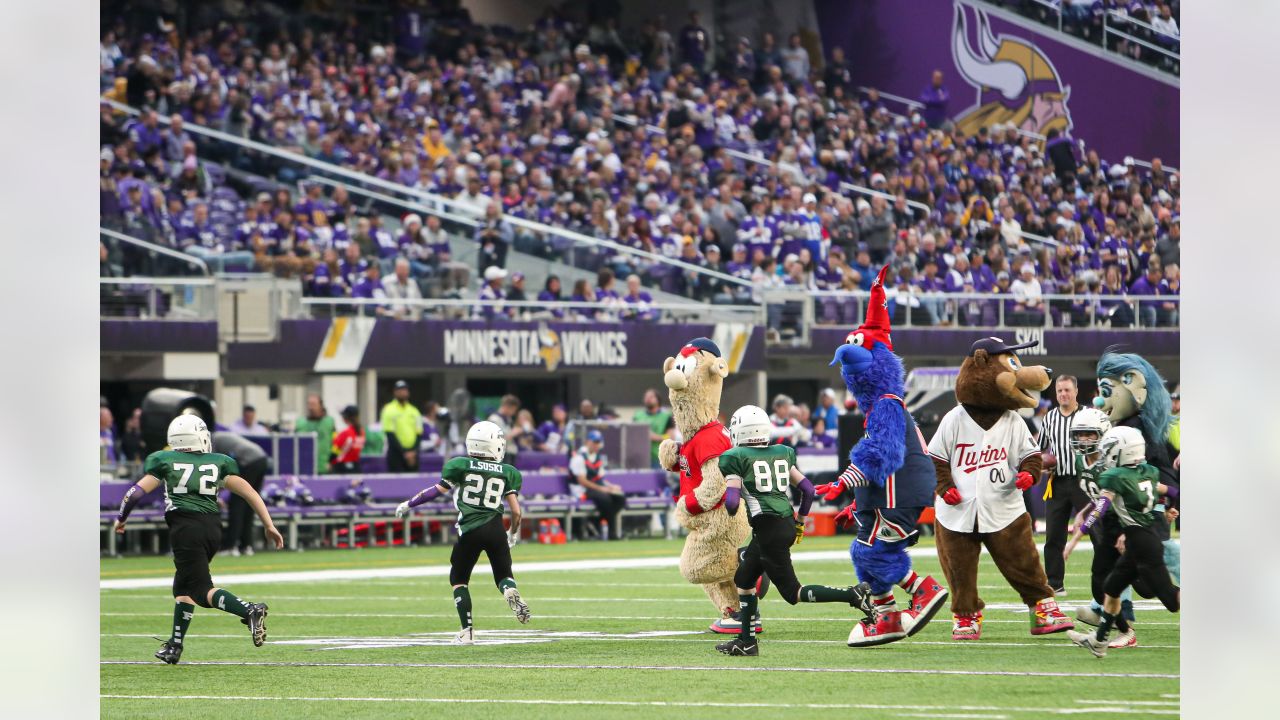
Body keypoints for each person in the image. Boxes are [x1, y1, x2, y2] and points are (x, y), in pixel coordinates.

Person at [113, 414, 283, 664]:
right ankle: (175, 646)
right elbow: (250, 493)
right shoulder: (219, 462)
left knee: (201, 590)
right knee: (183, 588)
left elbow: (134, 492)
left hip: (185, 529)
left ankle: (249, 610)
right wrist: (269, 524)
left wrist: (121, 518)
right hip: (213, 528)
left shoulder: (164, 460)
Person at [714, 405, 874, 656]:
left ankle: (853, 595)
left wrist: (730, 507)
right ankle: (746, 641)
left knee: (793, 593)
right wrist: (800, 522)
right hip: (784, 523)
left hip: (767, 527)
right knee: (743, 579)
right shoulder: (781, 452)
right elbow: (808, 490)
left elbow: (733, 502)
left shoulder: (735, 457)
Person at [394, 421, 531, 644]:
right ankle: (509, 591)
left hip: (469, 530)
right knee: (504, 576)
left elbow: (434, 491)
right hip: (496, 529)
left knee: (459, 579)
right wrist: (512, 533)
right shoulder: (508, 472)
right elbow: (516, 511)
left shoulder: (460, 465)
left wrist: (409, 504)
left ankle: (466, 632)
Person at [1066, 427, 1180, 657]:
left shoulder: (1115, 476)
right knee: (1111, 588)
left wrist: (1074, 539)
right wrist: (1171, 505)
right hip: (1143, 539)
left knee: (1170, 598)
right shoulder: (1148, 471)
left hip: (1141, 544)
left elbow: (1101, 507)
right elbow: (1171, 491)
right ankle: (1099, 642)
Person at [1038, 375, 1089, 595]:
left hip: (1084, 481)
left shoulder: (1088, 415)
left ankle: (1106, 579)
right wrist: (1042, 463)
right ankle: (1055, 584)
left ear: (1076, 391)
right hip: (1057, 481)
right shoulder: (1049, 418)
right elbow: (1039, 449)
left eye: (1067, 390)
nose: (1063, 394)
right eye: (1059, 391)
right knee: (1054, 536)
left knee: (1098, 530)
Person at [568, 430, 627, 540]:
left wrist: (610, 487)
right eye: (594, 442)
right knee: (606, 499)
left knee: (620, 498)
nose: (596, 445)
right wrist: (602, 489)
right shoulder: (579, 457)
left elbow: (600, 478)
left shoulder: (597, 457)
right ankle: (612, 534)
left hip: (596, 488)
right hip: (582, 490)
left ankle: (595, 521)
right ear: (588, 442)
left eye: (598, 442)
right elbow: (582, 481)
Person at [380, 380, 422, 473]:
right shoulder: (388, 409)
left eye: (404, 390)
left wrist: (413, 451)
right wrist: (404, 452)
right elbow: (390, 434)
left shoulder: (414, 410)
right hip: (396, 453)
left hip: (413, 454)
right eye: (399, 390)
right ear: (395, 392)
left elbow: (419, 433)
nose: (402, 392)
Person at [633, 388, 674, 469]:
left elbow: (670, 437)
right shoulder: (637, 416)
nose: (648, 399)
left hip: (657, 457)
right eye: (646, 397)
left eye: (651, 397)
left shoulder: (666, 417)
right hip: (639, 457)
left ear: (658, 400)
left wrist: (656, 437)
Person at [293, 394, 335, 474]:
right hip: (304, 467)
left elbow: (335, 443)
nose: (311, 407)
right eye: (309, 404)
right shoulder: (300, 423)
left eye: (314, 404)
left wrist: (332, 462)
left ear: (321, 405)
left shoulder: (329, 422)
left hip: (324, 466)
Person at [330, 405, 366, 474]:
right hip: (356, 467)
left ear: (346, 417)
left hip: (341, 468)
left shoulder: (346, 433)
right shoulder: (362, 432)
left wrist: (330, 463)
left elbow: (335, 451)